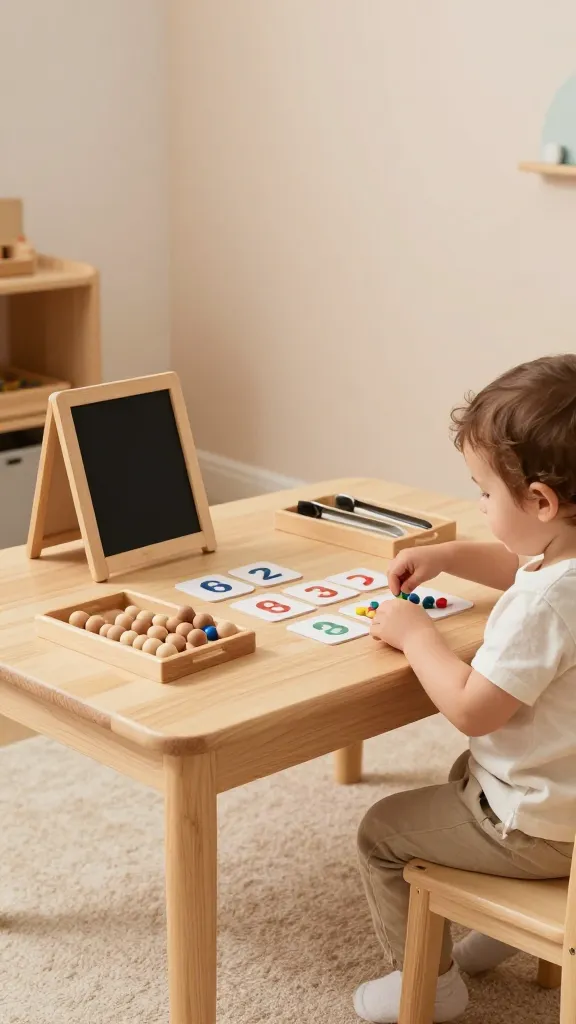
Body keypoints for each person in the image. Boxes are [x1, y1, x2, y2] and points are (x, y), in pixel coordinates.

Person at [354, 354, 576, 1023]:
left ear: (540, 501)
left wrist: (417, 635)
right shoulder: (562, 561)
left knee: (382, 831)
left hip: (541, 827)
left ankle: (431, 984)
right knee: (462, 775)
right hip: (564, 794)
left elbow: (474, 710)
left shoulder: (545, 608)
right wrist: (448, 556)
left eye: (484, 493)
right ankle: (500, 930)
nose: (480, 505)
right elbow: (528, 563)